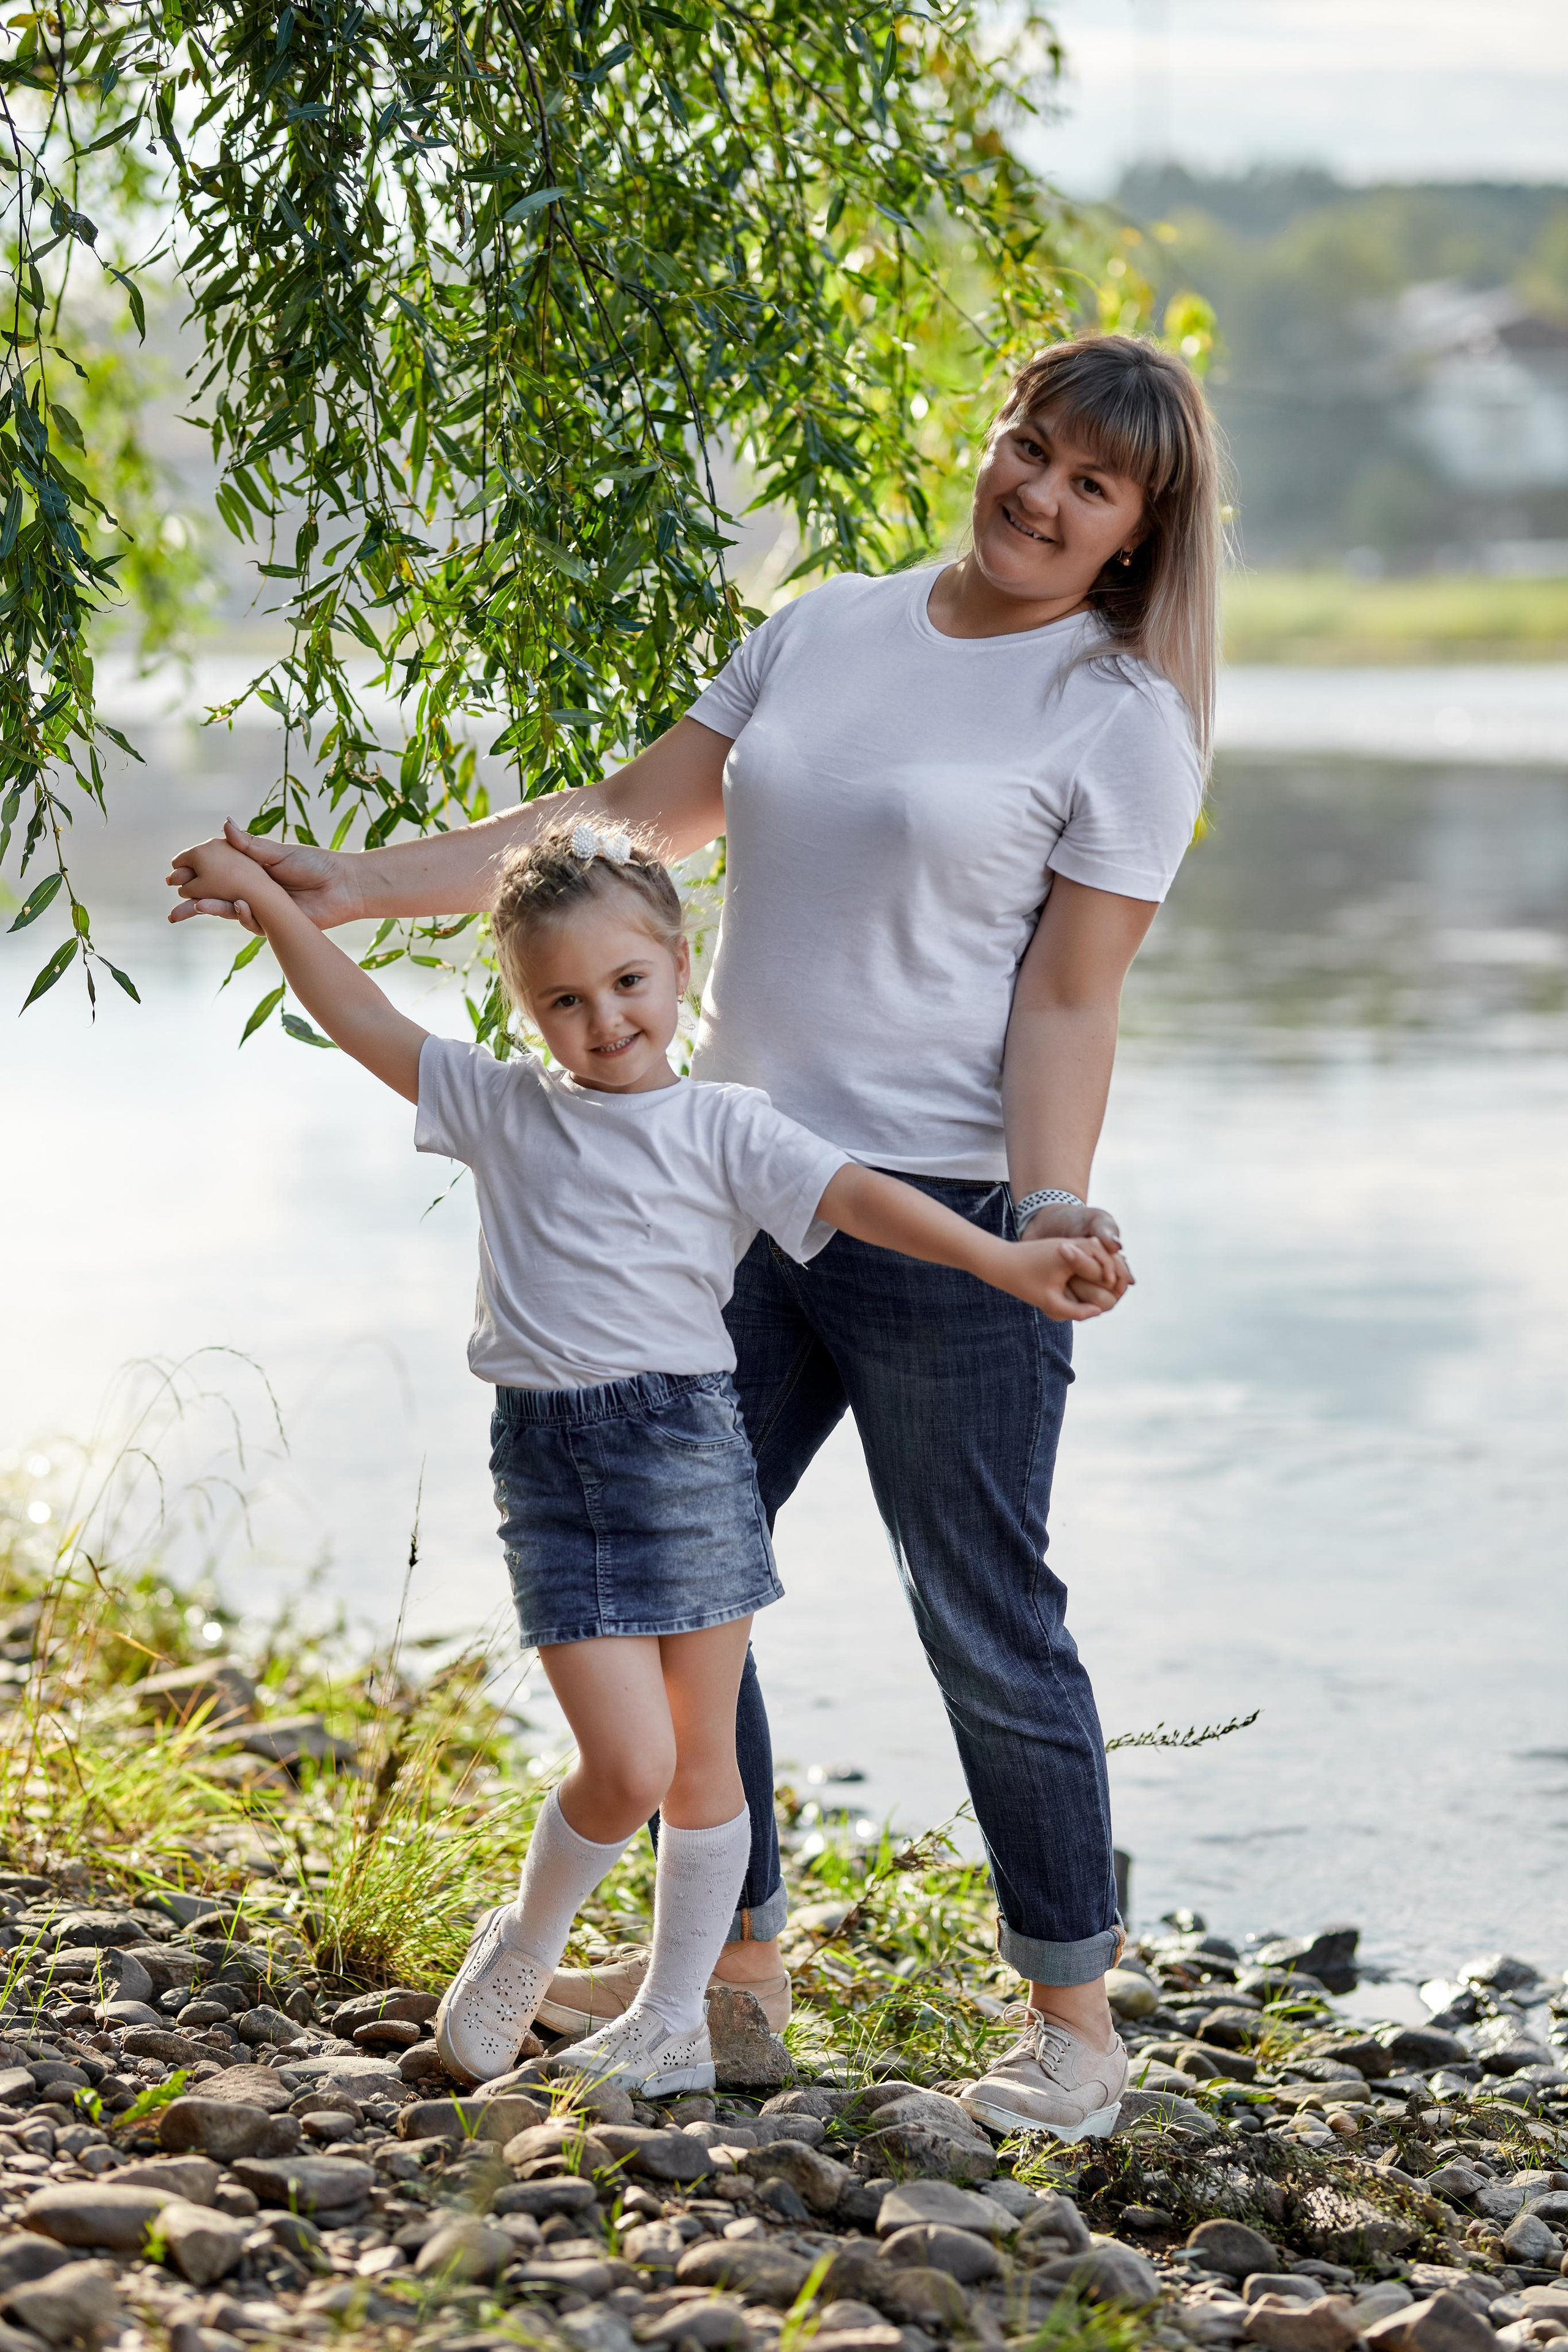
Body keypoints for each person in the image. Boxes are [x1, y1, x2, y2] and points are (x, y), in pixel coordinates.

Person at [169, 330, 1220, 2139]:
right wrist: (351, 881)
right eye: (1028, 446)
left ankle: (1072, 2024)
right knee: (681, 1590)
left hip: (944, 1211)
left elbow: (1066, 1003)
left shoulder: (1119, 716)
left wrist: (1046, 1207)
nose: (1039, 495)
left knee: (987, 1618)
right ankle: (723, 1976)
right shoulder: (828, 626)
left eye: (1092, 483)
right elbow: (623, 826)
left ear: (1135, 532)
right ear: (995, 439)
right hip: (718, 1192)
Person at [167, 812, 1123, 2095]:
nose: (603, 1018)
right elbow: (358, 1015)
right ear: (524, 1008)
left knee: (698, 1762)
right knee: (621, 1767)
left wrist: (1006, 1251)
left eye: (627, 983)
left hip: (684, 1453)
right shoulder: (499, 1108)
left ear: (681, 965)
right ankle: (523, 1943)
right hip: (550, 1470)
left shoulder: (725, 1126)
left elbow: (861, 1199)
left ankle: (678, 2019)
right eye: (562, 998)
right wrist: (271, 902)